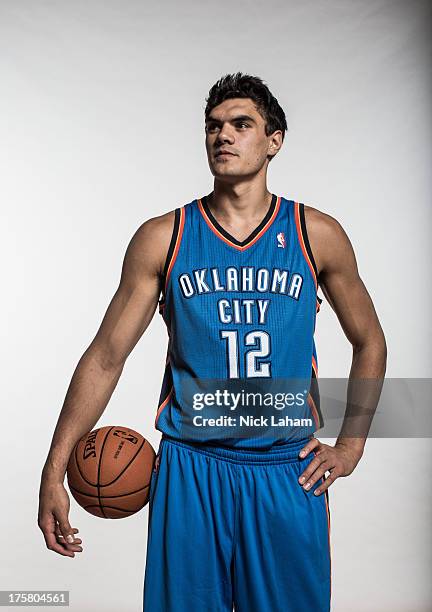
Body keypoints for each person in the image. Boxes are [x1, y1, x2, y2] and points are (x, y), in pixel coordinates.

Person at [38, 72, 387, 611]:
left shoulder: (315, 233)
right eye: (214, 126)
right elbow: (107, 357)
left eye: (241, 124)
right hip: (190, 470)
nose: (223, 135)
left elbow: (370, 342)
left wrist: (352, 445)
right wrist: (53, 468)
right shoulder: (164, 236)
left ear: (274, 141)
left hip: (286, 471)